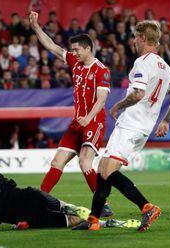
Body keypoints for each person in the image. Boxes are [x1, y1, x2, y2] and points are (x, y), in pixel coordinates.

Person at [73, 20, 170, 232]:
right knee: (104, 168)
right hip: (144, 127)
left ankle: (147, 207)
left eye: (135, 37)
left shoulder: (143, 62)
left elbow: (138, 93)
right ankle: (94, 219)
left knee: (107, 170)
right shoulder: (165, 66)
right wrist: (166, 120)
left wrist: (117, 106)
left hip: (131, 123)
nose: (133, 41)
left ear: (143, 38)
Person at [29, 11, 113, 217]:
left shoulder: (102, 70)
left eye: (77, 49)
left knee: (85, 161)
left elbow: (102, 100)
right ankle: (40, 201)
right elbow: (51, 46)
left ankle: (102, 204)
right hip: (77, 122)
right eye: (72, 49)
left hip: (94, 121)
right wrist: (35, 27)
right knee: (57, 162)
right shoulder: (75, 62)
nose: (73, 52)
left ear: (88, 48)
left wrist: (88, 117)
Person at [0, 156, 90, 230]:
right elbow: (7, 182)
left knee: (70, 220)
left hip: (18, 216)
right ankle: (95, 214)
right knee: (63, 206)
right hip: (28, 195)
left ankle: (95, 221)